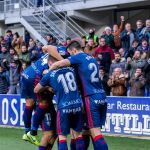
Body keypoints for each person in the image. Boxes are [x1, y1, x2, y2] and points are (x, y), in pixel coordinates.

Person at [49, 41, 108, 150]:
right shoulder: (91, 58)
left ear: (74, 50)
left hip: (91, 97)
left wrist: (49, 71)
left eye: (70, 54)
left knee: (95, 133)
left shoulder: (78, 57)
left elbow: (59, 63)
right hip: (102, 95)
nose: (71, 56)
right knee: (91, 131)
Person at [34, 55, 85, 150]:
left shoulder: (49, 75)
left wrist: (48, 87)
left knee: (62, 137)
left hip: (64, 107)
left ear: (50, 63)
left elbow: (36, 90)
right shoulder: (71, 70)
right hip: (78, 105)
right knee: (78, 135)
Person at [21, 45, 63, 146]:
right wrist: (49, 88)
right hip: (36, 77)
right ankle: (33, 132)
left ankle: (26, 132)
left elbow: (44, 47)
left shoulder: (48, 53)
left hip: (26, 73)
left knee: (29, 104)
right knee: (44, 102)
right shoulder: (57, 60)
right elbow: (45, 73)